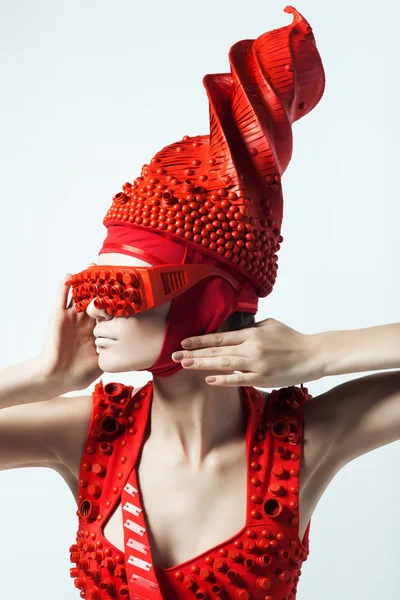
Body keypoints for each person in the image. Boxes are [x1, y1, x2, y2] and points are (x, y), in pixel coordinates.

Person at [1, 5, 399, 600]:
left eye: (121, 289)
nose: (94, 311)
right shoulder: (91, 436)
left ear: (209, 303)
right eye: (90, 286)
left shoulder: (303, 444)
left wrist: (317, 354)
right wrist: (41, 376)